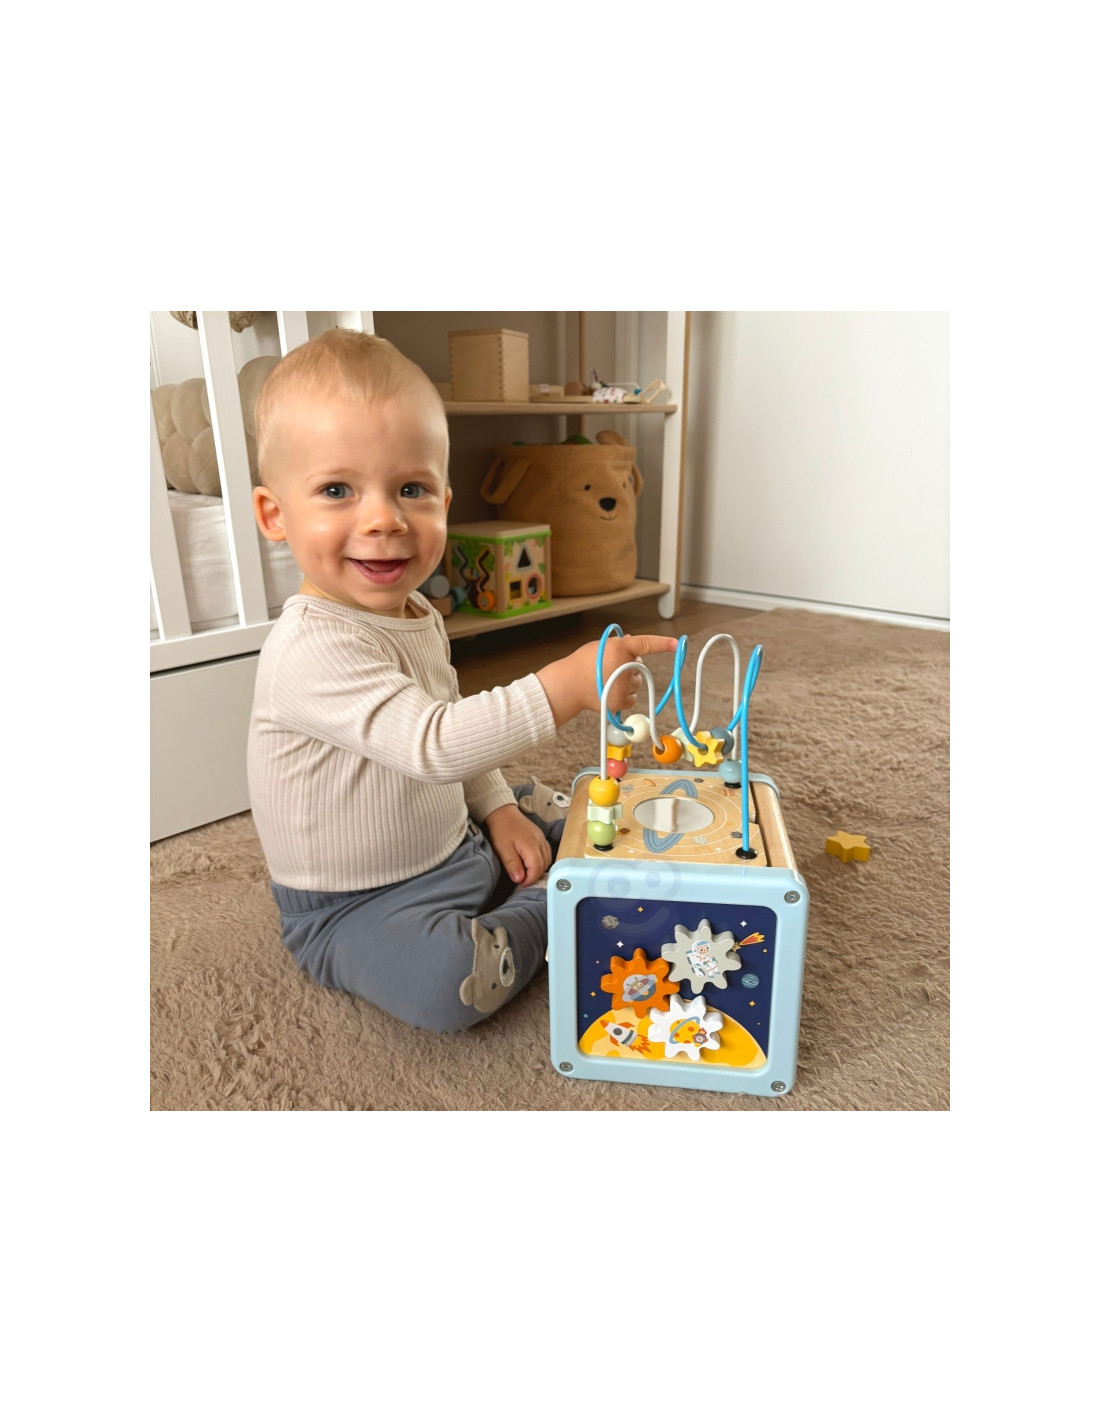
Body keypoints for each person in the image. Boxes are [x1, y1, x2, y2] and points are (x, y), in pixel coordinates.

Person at [246, 328, 676, 1033]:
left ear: (443, 502)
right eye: (337, 490)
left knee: (554, 803)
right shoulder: (310, 649)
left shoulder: (417, 613)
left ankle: (545, 843)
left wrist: (498, 808)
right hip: (357, 906)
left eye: (411, 489)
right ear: (274, 514)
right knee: (448, 985)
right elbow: (434, 743)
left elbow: (453, 725)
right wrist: (564, 686)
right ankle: (564, 897)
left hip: (452, 838)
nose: (384, 519)